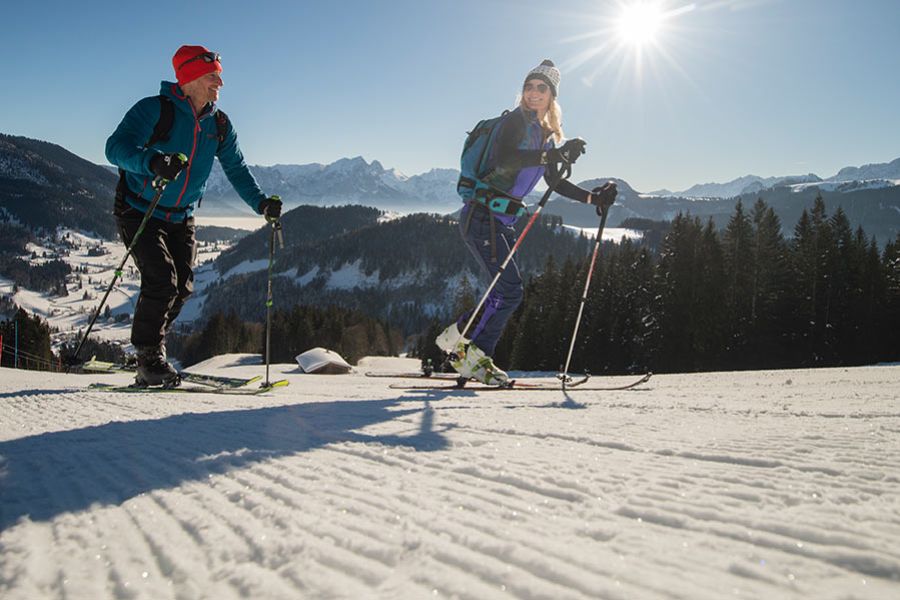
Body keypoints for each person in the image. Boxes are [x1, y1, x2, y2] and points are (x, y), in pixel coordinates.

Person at [105, 45, 282, 386]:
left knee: (183, 286)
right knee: (161, 279)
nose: (220, 83)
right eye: (212, 76)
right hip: (140, 208)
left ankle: (150, 348)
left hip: (182, 215)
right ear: (189, 78)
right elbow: (115, 148)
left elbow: (237, 168)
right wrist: (152, 161)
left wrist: (260, 204)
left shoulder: (219, 125)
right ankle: (148, 356)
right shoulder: (154, 111)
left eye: (219, 75)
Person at [436, 59, 617, 385]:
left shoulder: (543, 136)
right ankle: (477, 358)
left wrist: (593, 199)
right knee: (509, 292)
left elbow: (555, 183)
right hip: (482, 216)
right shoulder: (514, 122)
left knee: (500, 291)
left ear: (551, 96)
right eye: (529, 87)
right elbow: (507, 158)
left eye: (541, 88)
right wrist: (555, 155)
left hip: (497, 221)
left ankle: (457, 338)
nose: (533, 93)